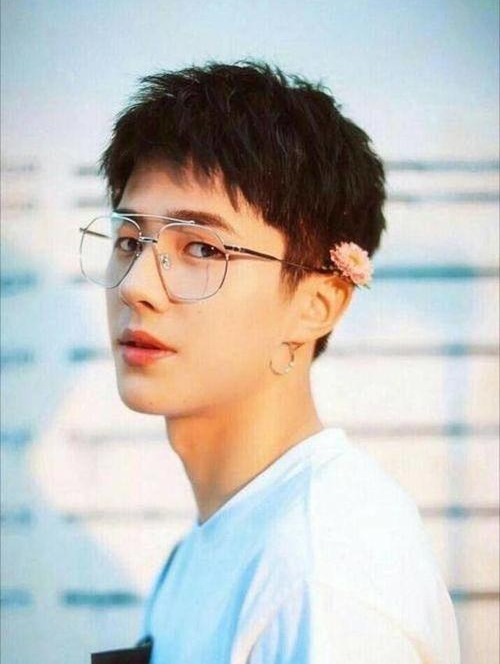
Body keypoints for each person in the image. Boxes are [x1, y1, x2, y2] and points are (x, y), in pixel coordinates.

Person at [81, 60, 460, 663]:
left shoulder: (323, 576)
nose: (136, 285)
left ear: (315, 306)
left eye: (201, 248)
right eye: (130, 240)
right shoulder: (212, 548)